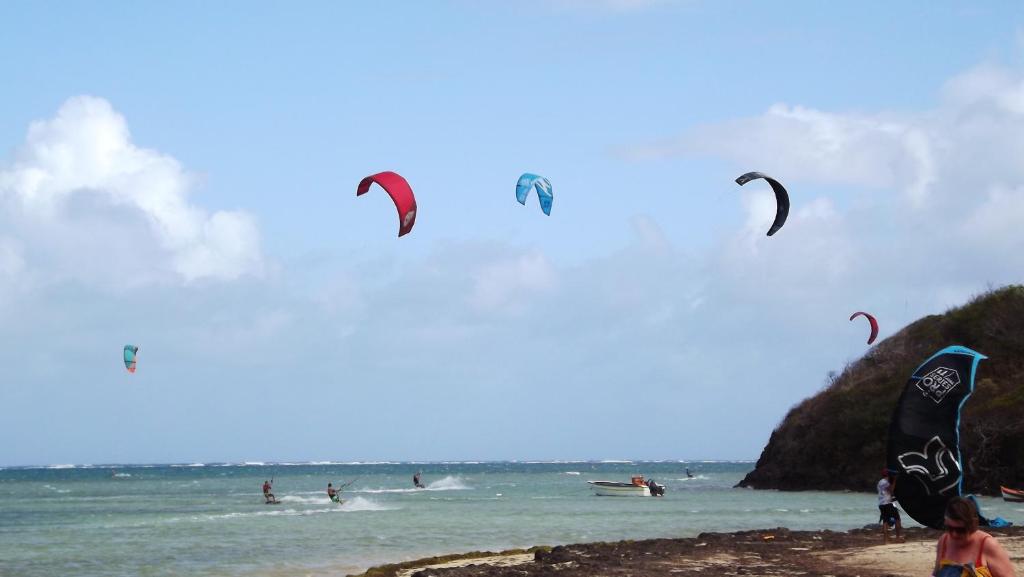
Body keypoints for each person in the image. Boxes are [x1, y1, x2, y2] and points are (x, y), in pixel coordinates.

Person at [933, 496, 1016, 577]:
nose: (954, 534)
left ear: (972, 526)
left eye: (960, 530)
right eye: (949, 528)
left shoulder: (987, 545)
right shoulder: (944, 541)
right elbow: (936, 574)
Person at [877, 469, 903, 543]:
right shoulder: (885, 482)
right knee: (897, 519)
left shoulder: (880, 482)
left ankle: (886, 540)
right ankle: (897, 538)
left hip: (881, 504)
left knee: (885, 521)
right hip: (887, 504)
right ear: (888, 475)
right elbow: (891, 490)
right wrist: (894, 480)